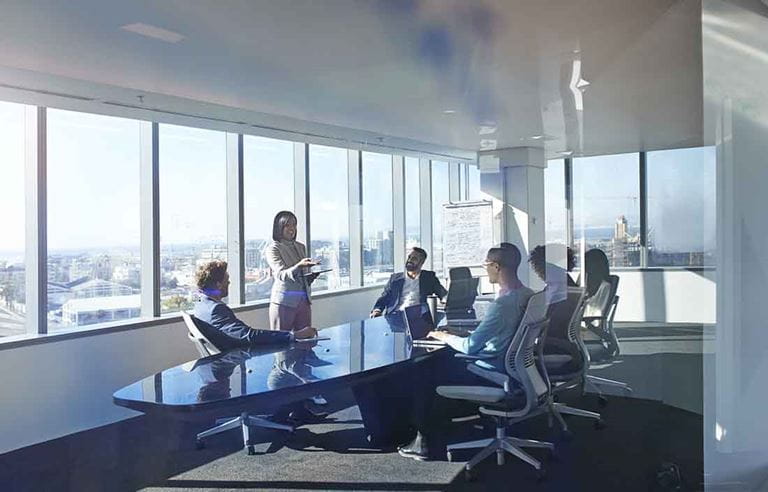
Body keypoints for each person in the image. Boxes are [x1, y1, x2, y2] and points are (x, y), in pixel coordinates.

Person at [397, 244, 534, 461]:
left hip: (491, 370)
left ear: (496, 266)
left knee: (422, 371)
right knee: (442, 362)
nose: (486, 269)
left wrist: (443, 336)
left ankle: (424, 443)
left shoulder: (502, 304)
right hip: (513, 367)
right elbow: (501, 331)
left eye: (486, 265)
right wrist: (460, 332)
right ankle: (452, 421)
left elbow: (470, 347)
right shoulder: (526, 295)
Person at [193, 260, 316, 351]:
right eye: (227, 279)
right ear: (218, 284)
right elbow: (249, 336)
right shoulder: (216, 309)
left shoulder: (200, 306)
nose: (229, 282)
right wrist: (295, 335)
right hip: (237, 357)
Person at [265, 211, 318, 333]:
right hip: (284, 302)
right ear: (279, 228)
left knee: (306, 341)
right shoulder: (273, 248)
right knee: (281, 343)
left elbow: (301, 275)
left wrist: (310, 277)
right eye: (287, 225)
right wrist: (299, 265)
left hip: (303, 301)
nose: (292, 229)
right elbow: (281, 274)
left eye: (294, 225)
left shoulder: (300, 247)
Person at [370, 247, 447, 317]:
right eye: (409, 257)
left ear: (421, 262)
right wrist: (377, 310)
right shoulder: (395, 279)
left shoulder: (429, 278)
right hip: (396, 316)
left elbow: (443, 294)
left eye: (414, 258)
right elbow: (384, 297)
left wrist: (446, 301)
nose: (409, 260)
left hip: (419, 317)